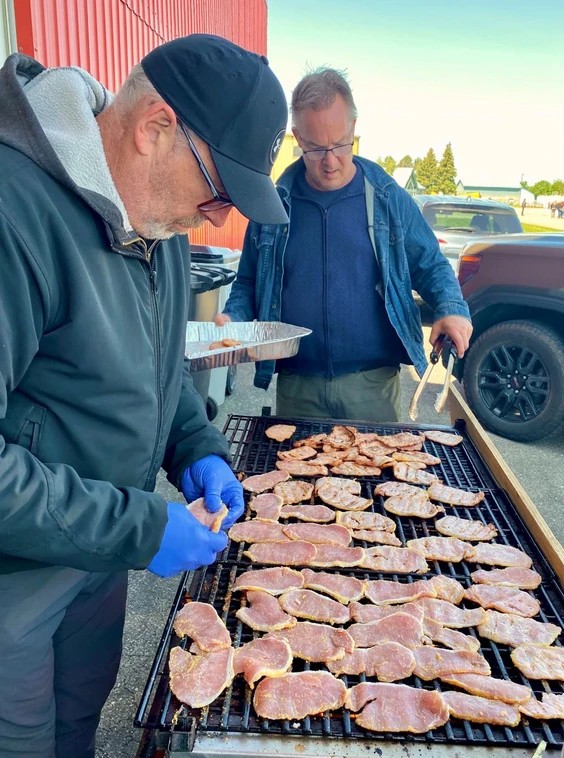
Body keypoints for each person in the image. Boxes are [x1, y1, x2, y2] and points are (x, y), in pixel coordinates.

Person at [0, 34, 287, 758]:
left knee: (78, 731)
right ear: (155, 127)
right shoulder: (14, 214)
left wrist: (197, 448)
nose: (220, 217)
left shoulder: (160, 220)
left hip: (96, 563)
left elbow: (158, 374)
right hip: (13, 585)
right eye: (218, 191)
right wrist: (142, 527)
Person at [216, 67, 472, 421]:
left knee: (378, 477)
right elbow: (247, 282)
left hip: (372, 387)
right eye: (316, 148)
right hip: (297, 385)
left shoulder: (386, 198)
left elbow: (430, 264)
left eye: (339, 144)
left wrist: (451, 307)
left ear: (353, 129)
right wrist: (233, 319)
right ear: (297, 137)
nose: (330, 160)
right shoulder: (274, 205)